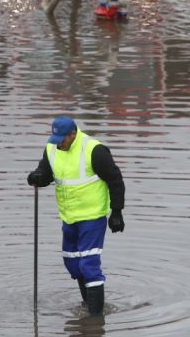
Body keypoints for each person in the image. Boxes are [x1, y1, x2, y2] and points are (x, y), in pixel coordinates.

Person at [28, 116, 125, 316]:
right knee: (73, 263)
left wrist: (117, 212)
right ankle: (88, 306)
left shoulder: (94, 150)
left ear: (73, 134)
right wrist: (36, 177)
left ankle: (95, 319)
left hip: (92, 217)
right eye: (55, 139)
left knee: (88, 265)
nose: (58, 144)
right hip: (69, 217)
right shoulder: (52, 148)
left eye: (62, 139)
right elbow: (46, 173)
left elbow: (115, 179)